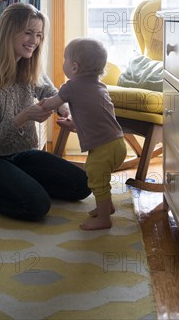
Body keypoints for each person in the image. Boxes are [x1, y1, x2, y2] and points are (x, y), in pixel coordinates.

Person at [0, 3, 91, 221]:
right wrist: (23, 117)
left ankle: (17, 182)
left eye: (39, 35)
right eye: (28, 33)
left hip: (19, 153)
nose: (34, 41)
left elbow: (50, 92)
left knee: (83, 185)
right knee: (36, 205)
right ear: (7, 32)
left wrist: (65, 110)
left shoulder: (27, 64)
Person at [40, 37, 127, 230]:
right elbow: (94, 116)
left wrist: (40, 105)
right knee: (101, 178)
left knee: (96, 179)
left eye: (64, 60)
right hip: (118, 143)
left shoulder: (70, 87)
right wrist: (75, 123)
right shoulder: (100, 86)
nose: (63, 63)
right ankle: (107, 206)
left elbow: (53, 103)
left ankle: (104, 219)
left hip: (103, 148)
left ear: (75, 66)